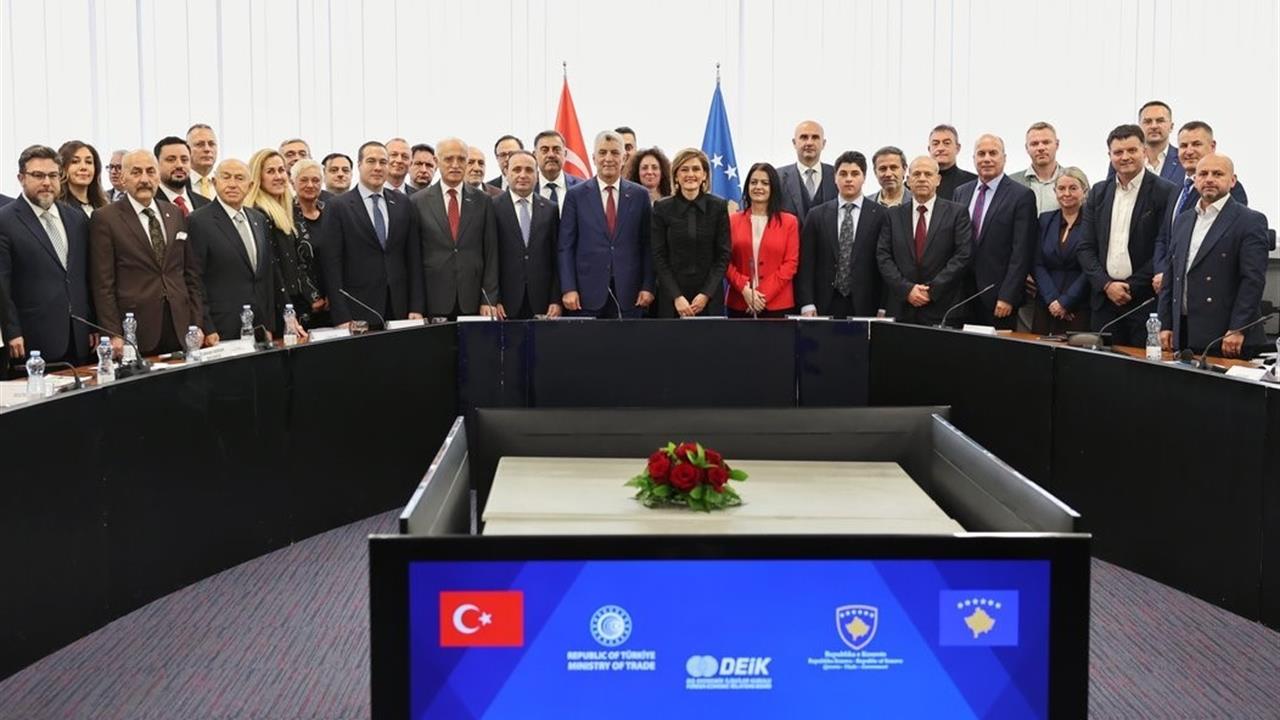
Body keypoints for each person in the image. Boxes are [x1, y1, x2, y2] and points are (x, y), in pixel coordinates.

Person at [88, 149, 203, 355]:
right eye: (136, 172)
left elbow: (190, 274)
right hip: (135, 328)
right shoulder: (105, 218)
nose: (144, 179)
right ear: (123, 178)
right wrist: (113, 333)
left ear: (158, 176)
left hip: (179, 324)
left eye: (150, 172)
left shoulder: (175, 213)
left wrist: (197, 323)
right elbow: (103, 284)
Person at [1158, 154, 1269, 358]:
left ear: (1232, 180)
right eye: (1203, 174)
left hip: (1226, 336)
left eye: (1217, 174)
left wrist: (1238, 328)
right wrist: (1165, 324)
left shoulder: (1250, 221)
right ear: (1195, 180)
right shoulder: (1183, 220)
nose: (1209, 179)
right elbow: (1171, 277)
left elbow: (1252, 281)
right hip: (1183, 331)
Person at [1076, 124, 1176, 346]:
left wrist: (1131, 286)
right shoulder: (1098, 192)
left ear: (1144, 151)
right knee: (1103, 364)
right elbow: (1085, 247)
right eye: (1118, 152)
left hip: (1145, 302)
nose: (1125, 157)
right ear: (1109, 155)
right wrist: (1106, 285)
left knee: (1141, 365)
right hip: (1104, 302)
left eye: (1132, 150)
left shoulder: (1165, 191)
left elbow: (1164, 247)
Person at [0, 144, 95, 365]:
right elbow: (2, 285)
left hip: (80, 336)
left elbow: (85, 277)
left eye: (53, 175)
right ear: (21, 178)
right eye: (38, 175)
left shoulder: (76, 218)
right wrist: (12, 331)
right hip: (32, 340)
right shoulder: (5, 221)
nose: (46, 182)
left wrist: (93, 323)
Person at [320, 141, 424, 328]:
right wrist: (341, 316)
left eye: (383, 162)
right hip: (358, 308)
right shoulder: (338, 206)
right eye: (371, 161)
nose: (378, 167)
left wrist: (416, 306)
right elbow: (331, 264)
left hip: (399, 306)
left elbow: (413, 257)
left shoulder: (403, 203)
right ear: (359, 165)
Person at [558, 130, 654, 318]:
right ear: (594, 158)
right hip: (586, 295)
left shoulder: (640, 195)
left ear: (624, 158)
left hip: (631, 294)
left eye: (615, 153)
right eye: (602, 153)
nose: (608, 158)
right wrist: (568, 288)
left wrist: (648, 286)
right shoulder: (575, 195)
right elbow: (565, 247)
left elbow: (648, 245)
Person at [187, 159, 280, 342]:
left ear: (250, 185)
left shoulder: (258, 219)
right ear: (215, 182)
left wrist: (269, 324)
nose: (232, 184)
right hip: (221, 327)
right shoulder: (199, 221)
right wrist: (206, 326)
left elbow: (266, 276)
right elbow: (195, 279)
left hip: (259, 326)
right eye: (226, 177)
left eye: (239, 178)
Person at [952, 134, 1038, 329]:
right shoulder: (961, 192)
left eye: (993, 153)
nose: (987, 159)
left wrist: (1008, 296)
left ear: (1004, 158)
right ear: (974, 158)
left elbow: (1021, 252)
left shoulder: (1021, 196)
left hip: (998, 296)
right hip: (962, 296)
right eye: (981, 154)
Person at [875, 156, 973, 325]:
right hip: (902, 307)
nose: (922, 179)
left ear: (938, 180)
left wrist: (931, 290)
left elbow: (963, 255)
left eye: (928, 174)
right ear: (908, 181)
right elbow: (883, 256)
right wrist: (907, 290)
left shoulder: (957, 213)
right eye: (916, 174)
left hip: (943, 307)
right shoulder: (892, 215)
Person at [1156, 120, 1251, 293]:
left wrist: (1170, 275)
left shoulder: (1229, 189)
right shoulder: (1176, 189)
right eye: (1183, 146)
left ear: (1212, 146)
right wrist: (1162, 271)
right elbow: (1164, 237)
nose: (1189, 151)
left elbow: (1222, 243)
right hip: (1171, 289)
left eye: (1196, 144)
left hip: (1208, 291)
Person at [411, 137, 499, 318]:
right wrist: (416, 306)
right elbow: (414, 258)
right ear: (437, 162)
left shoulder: (483, 201)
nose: (455, 165)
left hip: (474, 298)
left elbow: (491, 252)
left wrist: (489, 298)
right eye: (449, 159)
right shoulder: (418, 201)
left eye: (461, 159)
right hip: (433, 299)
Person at [797, 150, 888, 318]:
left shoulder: (881, 215)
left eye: (855, 174)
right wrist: (806, 302)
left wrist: (883, 306)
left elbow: (885, 263)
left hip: (866, 303)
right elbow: (806, 263)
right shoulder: (817, 215)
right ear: (835, 178)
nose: (848, 179)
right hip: (824, 302)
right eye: (843, 174)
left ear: (864, 177)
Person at [650, 148, 731, 318]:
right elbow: (658, 256)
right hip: (672, 299)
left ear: (704, 175)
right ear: (676, 176)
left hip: (709, 298)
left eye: (696, 169)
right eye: (684, 169)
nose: (690, 174)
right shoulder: (661, 208)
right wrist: (677, 297)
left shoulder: (718, 207)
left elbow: (723, 256)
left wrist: (705, 295)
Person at [246, 148, 316, 326]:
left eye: (281, 170)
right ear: (258, 177)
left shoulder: (289, 209)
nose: (278, 176)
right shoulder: (259, 214)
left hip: (296, 302)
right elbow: (272, 267)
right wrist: (288, 311)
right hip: (278, 307)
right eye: (270, 171)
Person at [725, 163, 799, 317]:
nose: (758, 187)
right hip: (739, 303)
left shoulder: (789, 222)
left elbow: (790, 264)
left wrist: (760, 295)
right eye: (754, 182)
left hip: (777, 306)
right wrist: (744, 289)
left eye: (765, 183)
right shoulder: (732, 221)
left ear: (773, 188)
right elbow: (724, 261)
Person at [493, 150, 560, 320]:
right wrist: (495, 299)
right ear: (506, 172)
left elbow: (556, 257)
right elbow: (489, 258)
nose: (523, 175)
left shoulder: (551, 209)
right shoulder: (492, 207)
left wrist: (556, 299)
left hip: (542, 303)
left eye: (529, 170)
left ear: (537, 175)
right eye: (516, 169)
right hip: (505, 304)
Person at [1030, 168, 1092, 335]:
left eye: (1073, 188)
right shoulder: (1045, 219)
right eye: (1061, 188)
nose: (1066, 193)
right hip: (1046, 303)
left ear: (1085, 191)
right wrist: (1052, 300)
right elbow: (1037, 263)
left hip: (1079, 305)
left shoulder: (1093, 222)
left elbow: (1092, 266)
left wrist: (1066, 302)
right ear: (1055, 191)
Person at [290, 158, 330, 326]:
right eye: (304, 180)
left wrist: (333, 294)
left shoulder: (331, 211)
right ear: (293, 183)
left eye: (315, 180)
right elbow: (291, 263)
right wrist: (313, 297)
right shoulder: (286, 215)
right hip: (302, 303)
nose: (310, 185)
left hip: (334, 300)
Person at [776, 120, 836, 223]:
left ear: (823, 143)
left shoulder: (837, 176)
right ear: (794, 143)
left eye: (815, 137)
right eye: (804, 137)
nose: (809, 143)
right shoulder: (777, 177)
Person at [1008, 122, 1066, 213]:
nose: (1040, 148)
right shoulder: (1011, 183)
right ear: (1027, 148)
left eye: (1046, 142)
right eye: (1034, 144)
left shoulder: (1075, 181)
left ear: (1057, 144)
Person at [154, 136, 210, 216]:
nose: (179, 165)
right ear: (156, 164)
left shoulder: (205, 204)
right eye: (171, 160)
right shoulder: (150, 202)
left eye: (184, 160)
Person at [533, 130, 582, 214]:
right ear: (535, 155)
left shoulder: (581, 187)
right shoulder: (527, 187)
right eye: (545, 150)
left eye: (556, 150)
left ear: (565, 154)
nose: (551, 155)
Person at [56, 140, 108, 217]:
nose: (83, 167)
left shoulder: (104, 205)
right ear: (62, 168)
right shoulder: (57, 208)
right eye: (75, 161)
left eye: (88, 162)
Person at [1136, 100, 1183, 183]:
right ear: (1139, 127)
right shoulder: (1129, 160)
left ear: (1171, 127)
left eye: (1160, 121)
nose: (1154, 126)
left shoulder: (1183, 159)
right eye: (1148, 121)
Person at [929, 124, 978, 202]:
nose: (940, 148)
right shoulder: (918, 183)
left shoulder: (974, 183)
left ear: (957, 148)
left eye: (947, 143)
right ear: (929, 149)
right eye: (935, 144)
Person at [187, 124, 219, 199]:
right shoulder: (178, 184)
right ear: (187, 149)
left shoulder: (225, 183)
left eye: (211, 144)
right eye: (199, 144)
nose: (207, 149)